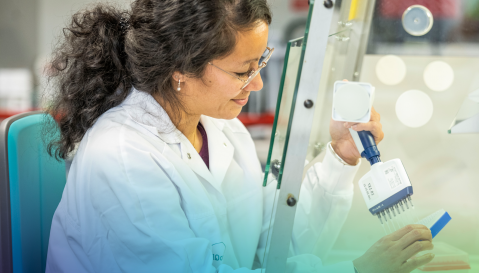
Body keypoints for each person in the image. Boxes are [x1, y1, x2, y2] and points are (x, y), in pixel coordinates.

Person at [44, 0, 434, 272]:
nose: (258, 82)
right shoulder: (122, 159)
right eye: (242, 70)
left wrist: (341, 156)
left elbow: (272, 243)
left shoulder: (221, 128)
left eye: (260, 61)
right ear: (179, 68)